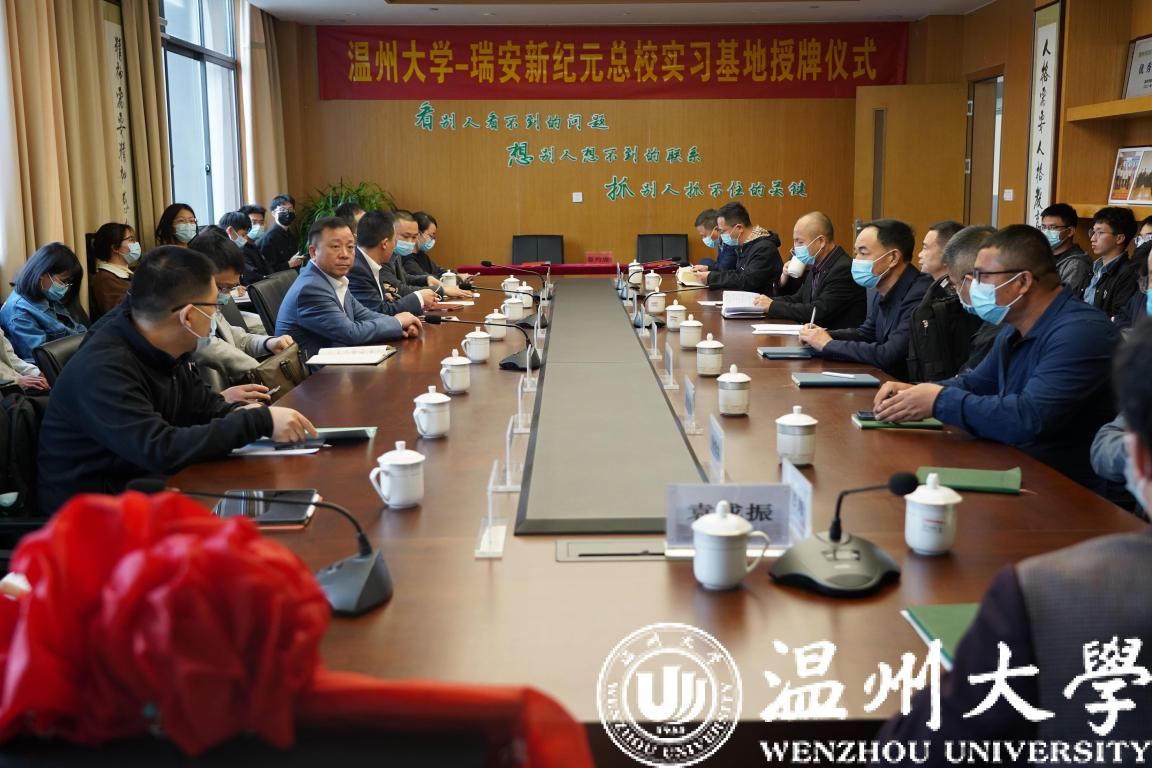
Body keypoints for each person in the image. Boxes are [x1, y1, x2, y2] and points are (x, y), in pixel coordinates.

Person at [875, 321, 1152, 756]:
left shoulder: (1052, 595)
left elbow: (917, 750)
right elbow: (975, 383)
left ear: (1139, 461)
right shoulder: (1011, 333)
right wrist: (925, 393)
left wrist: (940, 400)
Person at [36, 246, 317, 515]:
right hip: (93, 519)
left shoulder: (163, 347)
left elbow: (202, 406)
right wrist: (258, 421)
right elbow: (161, 449)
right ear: (188, 316)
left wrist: (237, 411)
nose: (217, 315)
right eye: (215, 306)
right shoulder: (103, 368)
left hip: (151, 490)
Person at [872, 224, 1119, 490]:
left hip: (1070, 491)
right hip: (1018, 469)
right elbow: (975, 383)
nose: (974, 286)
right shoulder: (1014, 327)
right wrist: (916, 392)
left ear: (1022, 282)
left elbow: (1029, 418)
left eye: (982, 277)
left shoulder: (1080, 333)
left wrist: (939, 400)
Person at [797, 218, 931, 380]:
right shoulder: (882, 288)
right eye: (856, 253)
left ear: (893, 258)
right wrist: (819, 335)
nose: (856, 260)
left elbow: (888, 354)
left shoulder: (921, 294)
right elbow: (865, 334)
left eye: (864, 253)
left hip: (904, 387)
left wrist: (828, 344)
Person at [275, 216, 422, 360]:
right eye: (335, 246)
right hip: (316, 372)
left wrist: (401, 325)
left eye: (350, 247)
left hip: (338, 361)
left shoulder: (334, 279)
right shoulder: (311, 288)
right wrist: (397, 322)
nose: (345, 255)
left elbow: (364, 314)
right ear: (313, 252)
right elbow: (350, 333)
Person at [187, 230, 295, 392]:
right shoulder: (185, 313)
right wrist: (263, 372)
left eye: (230, 288)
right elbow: (208, 347)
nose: (224, 295)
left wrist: (268, 343)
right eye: (220, 287)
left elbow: (235, 339)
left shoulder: (209, 305)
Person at [752, 211, 866, 329]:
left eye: (800, 242)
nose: (795, 247)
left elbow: (818, 312)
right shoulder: (817, 264)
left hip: (835, 337)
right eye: (795, 241)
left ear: (821, 241)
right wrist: (761, 301)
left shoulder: (843, 269)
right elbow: (799, 299)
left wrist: (772, 306)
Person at [905, 220, 982, 382]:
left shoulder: (968, 303)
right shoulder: (929, 290)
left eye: (925, 248)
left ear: (948, 253)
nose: (919, 254)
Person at [0, 243, 87, 362]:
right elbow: (42, 360)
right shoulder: (20, 312)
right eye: (63, 281)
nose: (66, 288)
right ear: (42, 273)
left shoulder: (46, 295)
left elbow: (78, 330)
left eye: (69, 283)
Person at [350, 210, 434, 316]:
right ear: (385, 244)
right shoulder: (358, 269)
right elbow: (379, 312)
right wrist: (419, 298)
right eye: (394, 241)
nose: (395, 246)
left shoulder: (370, 263)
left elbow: (384, 304)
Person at [942, 225, 1000, 375]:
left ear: (971, 281)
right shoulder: (997, 319)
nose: (956, 292)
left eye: (955, 284)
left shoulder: (998, 331)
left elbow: (973, 383)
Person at [689, 202, 783, 295]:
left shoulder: (764, 248)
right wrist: (710, 271)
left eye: (723, 231)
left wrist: (711, 277)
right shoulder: (746, 245)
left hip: (761, 301)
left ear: (739, 228)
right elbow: (738, 273)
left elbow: (748, 281)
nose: (721, 235)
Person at [392, 210, 472, 299]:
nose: (410, 242)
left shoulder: (399, 256)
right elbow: (400, 289)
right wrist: (442, 289)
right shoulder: (402, 257)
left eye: (414, 237)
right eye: (406, 236)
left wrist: (428, 278)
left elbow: (407, 278)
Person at [1083, 206, 1138, 319]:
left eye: (1100, 233)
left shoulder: (1128, 274)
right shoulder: (1093, 267)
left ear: (1119, 238)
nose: (1092, 238)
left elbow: (1118, 318)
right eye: (1093, 232)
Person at [1038, 202, 1091, 297]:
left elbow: (1062, 299)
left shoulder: (1076, 264)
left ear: (1070, 231)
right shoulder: (1042, 256)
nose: (1046, 232)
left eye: (1053, 227)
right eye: (1044, 227)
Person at [404, 212, 473, 286]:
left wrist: (457, 275)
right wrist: (457, 279)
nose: (433, 240)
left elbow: (438, 271)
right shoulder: (406, 258)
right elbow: (427, 279)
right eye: (431, 236)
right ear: (418, 233)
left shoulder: (421, 255)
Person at [89, 222, 140, 319]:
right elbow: (122, 315)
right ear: (115, 248)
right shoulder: (105, 279)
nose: (136, 244)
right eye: (130, 240)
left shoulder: (128, 273)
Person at [219, 210, 271, 286]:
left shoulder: (249, 247)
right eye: (243, 235)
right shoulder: (224, 254)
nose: (245, 239)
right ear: (230, 232)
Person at [257, 193, 305, 272]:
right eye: (282, 209)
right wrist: (289, 264)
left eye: (290, 209)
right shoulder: (268, 238)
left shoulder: (291, 235)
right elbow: (267, 271)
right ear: (273, 213)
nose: (287, 212)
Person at [0, 326, 48, 391]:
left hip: (13, 379)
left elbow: (8, 355)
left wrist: (35, 372)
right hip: (6, 386)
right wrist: (14, 381)